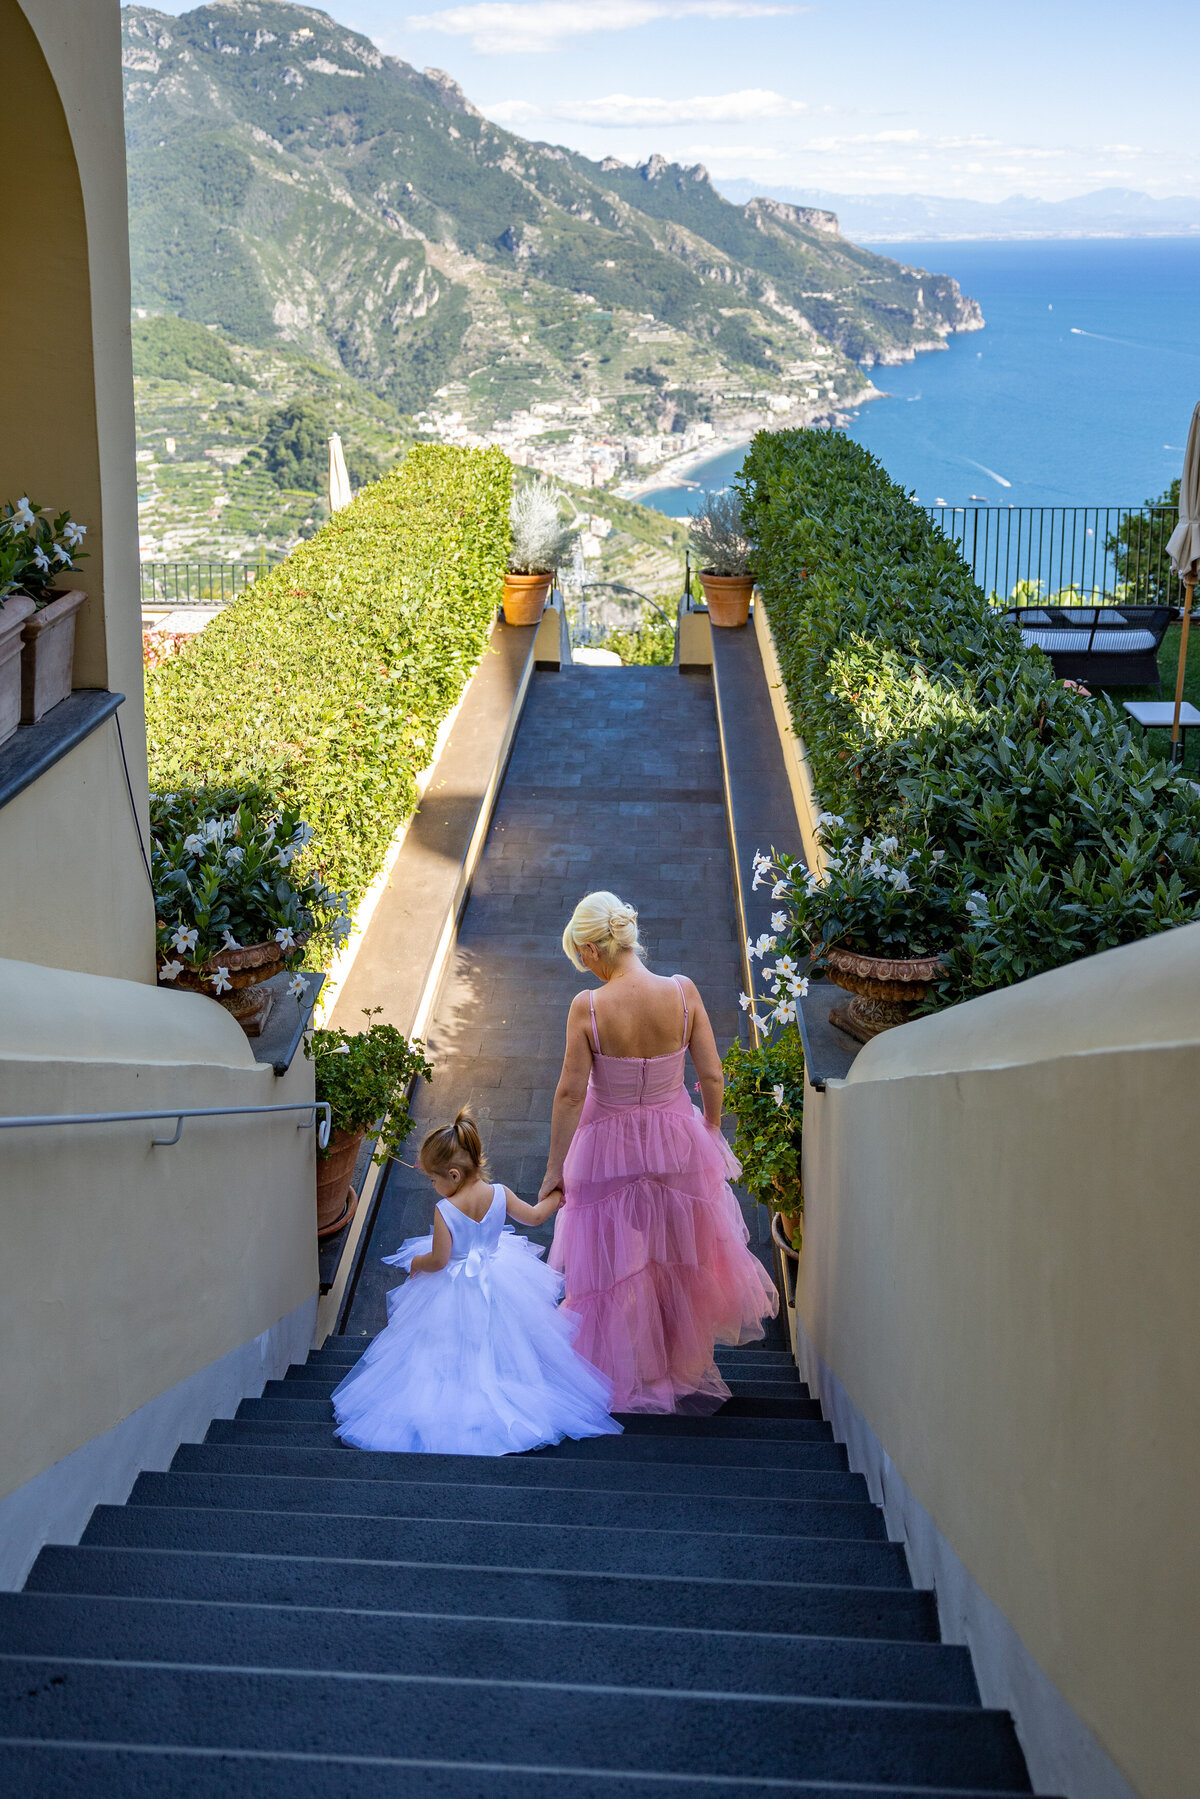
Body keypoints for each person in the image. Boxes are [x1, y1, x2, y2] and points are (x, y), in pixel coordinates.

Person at [542, 891, 778, 1413]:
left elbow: (568, 1093)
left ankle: (620, 1368)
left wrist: (554, 1168)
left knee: (609, 1267)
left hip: (605, 1147)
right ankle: (680, 1366)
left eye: (580, 955)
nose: (583, 965)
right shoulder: (682, 991)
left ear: (592, 948)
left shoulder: (589, 1006)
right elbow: (712, 1074)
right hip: (677, 1142)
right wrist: (711, 1131)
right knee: (677, 1259)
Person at [332, 1109, 621, 1455]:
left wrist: (415, 1263)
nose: (434, 1186)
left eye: (434, 1179)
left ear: (453, 1175)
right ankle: (508, 1389)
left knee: (445, 1346)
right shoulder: (499, 1193)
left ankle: (454, 1401)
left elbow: (439, 1260)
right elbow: (534, 1216)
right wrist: (559, 1196)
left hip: (453, 1288)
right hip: (500, 1277)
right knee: (503, 1339)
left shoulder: (446, 1210)